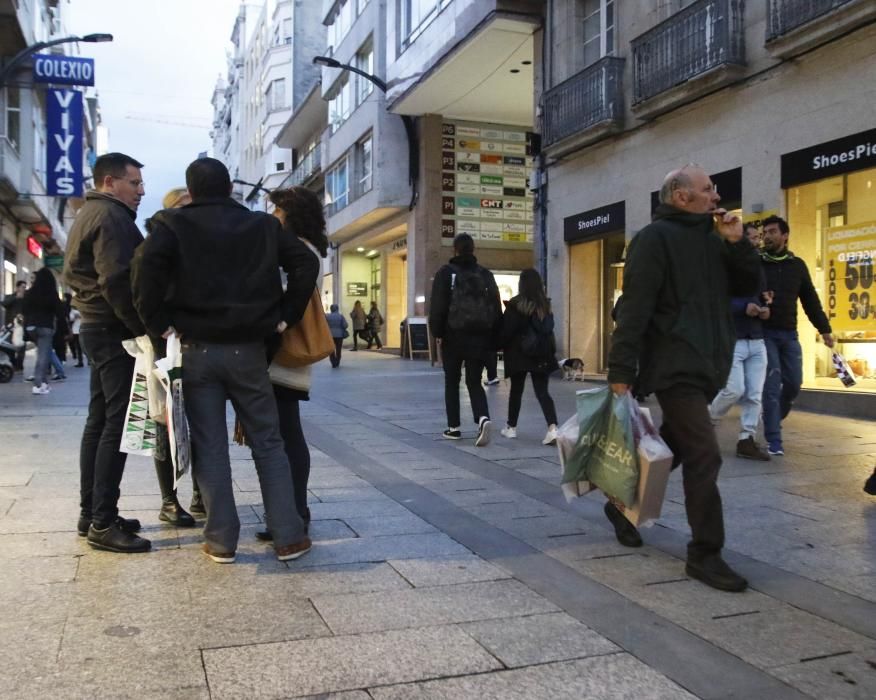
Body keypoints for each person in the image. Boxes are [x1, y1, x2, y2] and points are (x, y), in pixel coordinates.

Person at [133, 158, 318, 564]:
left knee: (210, 445)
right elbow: (306, 262)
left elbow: (143, 268)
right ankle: (288, 536)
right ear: (231, 187)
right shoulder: (263, 226)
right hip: (250, 349)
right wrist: (285, 314)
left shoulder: (171, 225)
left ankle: (220, 540)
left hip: (197, 350)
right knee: (269, 443)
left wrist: (160, 324)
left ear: (192, 190)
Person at [608, 164, 760, 592]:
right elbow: (634, 307)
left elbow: (749, 284)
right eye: (708, 189)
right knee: (706, 454)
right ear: (681, 196)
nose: (716, 196)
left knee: (674, 445)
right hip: (674, 365)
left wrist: (738, 243)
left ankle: (622, 505)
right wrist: (621, 371)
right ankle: (705, 554)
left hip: (708, 365)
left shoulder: (716, 241)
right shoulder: (654, 240)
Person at [64, 152, 151, 553]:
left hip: (96, 326)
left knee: (99, 421)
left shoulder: (89, 213)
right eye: (134, 183)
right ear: (110, 182)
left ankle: (92, 513)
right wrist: (141, 329)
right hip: (112, 330)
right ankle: (102, 522)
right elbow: (116, 279)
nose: (140, 191)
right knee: (115, 424)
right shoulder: (111, 217)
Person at [251, 185, 328, 542]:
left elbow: (281, 295)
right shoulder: (305, 245)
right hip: (282, 350)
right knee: (283, 433)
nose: (272, 215)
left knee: (285, 433)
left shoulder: (298, 249)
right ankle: (290, 510)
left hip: (284, 349)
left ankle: (294, 511)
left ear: (290, 212)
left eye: (277, 209)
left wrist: (277, 322)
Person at [760, 215, 834, 456]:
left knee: (793, 384)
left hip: (789, 334)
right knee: (771, 386)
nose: (767, 236)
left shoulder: (797, 266)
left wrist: (824, 329)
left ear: (785, 235)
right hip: (765, 333)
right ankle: (774, 439)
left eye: (772, 231)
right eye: (765, 232)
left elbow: (810, 301)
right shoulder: (758, 263)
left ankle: (772, 417)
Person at [429, 232, 502, 446]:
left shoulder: (446, 273)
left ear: (455, 250)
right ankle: (482, 418)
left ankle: (454, 428)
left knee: (452, 381)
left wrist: (438, 333)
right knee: (474, 381)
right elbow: (496, 307)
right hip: (479, 338)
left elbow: (438, 307)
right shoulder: (485, 274)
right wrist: (494, 337)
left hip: (453, 336)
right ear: (473, 250)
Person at [708, 224, 771, 461]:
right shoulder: (725, 266)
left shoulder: (758, 267)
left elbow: (763, 296)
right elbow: (716, 301)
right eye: (752, 238)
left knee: (754, 394)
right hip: (732, 338)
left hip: (756, 337)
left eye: (758, 238)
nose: (757, 242)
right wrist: (744, 307)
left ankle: (747, 439)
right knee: (733, 389)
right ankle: (708, 422)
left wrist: (765, 309)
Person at [498, 268, 559, 445]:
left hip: (519, 354)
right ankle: (553, 427)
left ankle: (511, 428)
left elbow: (507, 331)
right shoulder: (545, 306)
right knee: (542, 392)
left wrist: (496, 344)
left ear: (521, 284)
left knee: (516, 391)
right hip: (541, 354)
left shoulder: (515, 305)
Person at [22, 268, 63, 395]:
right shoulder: (51, 293)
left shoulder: (30, 292)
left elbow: (24, 310)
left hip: (31, 327)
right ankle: (38, 385)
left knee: (42, 353)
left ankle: (44, 383)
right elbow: (59, 311)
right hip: (45, 327)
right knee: (43, 356)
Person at [2, 280, 27, 370]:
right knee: (9, 346)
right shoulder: (10, 297)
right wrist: (16, 297)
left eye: (25, 287)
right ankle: (13, 362)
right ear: (17, 288)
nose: (24, 289)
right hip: (11, 326)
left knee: (21, 346)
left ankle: (19, 365)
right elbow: (4, 304)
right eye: (22, 287)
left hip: (21, 326)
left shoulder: (26, 298)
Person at [325, 303, 348, 368]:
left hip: (330, 335)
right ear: (337, 309)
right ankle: (337, 362)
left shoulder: (327, 316)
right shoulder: (341, 316)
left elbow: (324, 325)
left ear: (331, 309)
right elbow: (345, 325)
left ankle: (333, 362)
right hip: (339, 335)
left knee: (331, 349)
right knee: (338, 349)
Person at [66, 294, 84, 367]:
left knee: (82, 346)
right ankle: (80, 361)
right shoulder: (73, 310)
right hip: (76, 330)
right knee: (78, 346)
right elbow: (71, 318)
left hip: (82, 329)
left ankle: (87, 360)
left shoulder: (83, 308)